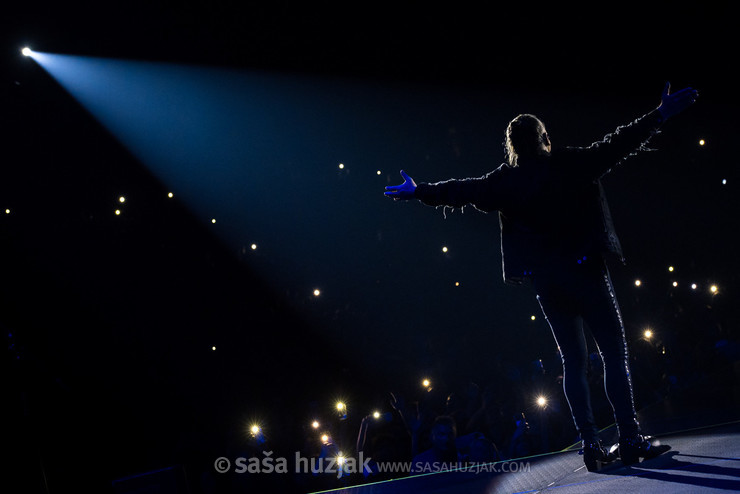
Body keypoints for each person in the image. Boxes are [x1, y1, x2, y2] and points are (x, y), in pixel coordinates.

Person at [384, 83, 698, 471]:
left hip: (548, 284)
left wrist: (420, 192)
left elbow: (463, 190)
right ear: (544, 137)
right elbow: (619, 142)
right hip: (585, 272)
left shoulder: (504, 181)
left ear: (512, 145)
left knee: (573, 362)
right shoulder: (569, 163)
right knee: (613, 355)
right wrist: (660, 114)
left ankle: (590, 445)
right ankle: (630, 438)